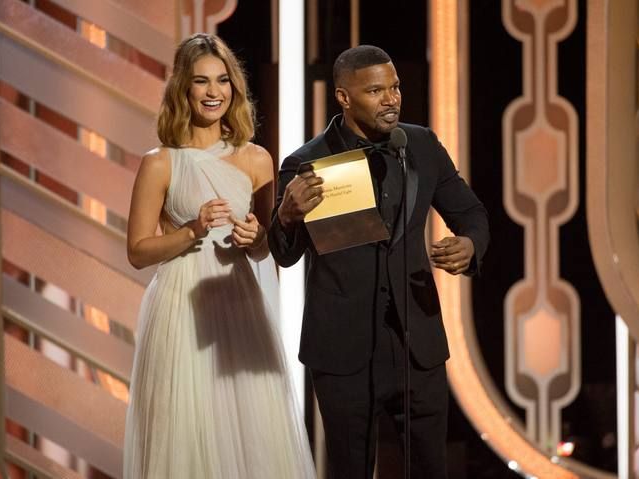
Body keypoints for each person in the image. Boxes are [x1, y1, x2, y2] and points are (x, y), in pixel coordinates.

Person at [268, 45, 489, 479]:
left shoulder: (421, 145)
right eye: (376, 91)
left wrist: (470, 246)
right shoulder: (307, 162)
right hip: (343, 350)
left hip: (416, 344)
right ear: (344, 98)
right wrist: (287, 215)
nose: (392, 99)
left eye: (395, 87)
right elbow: (284, 254)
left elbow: (472, 214)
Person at [123, 33, 316, 479]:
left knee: (251, 436)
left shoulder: (257, 160)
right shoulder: (160, 162)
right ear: (182, 90)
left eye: (222, 81)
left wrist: (255, 237)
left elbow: (267, 244)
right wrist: (192, 229)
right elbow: (137, 251)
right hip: (180, 311)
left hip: (239, 304)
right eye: (201, 82)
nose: (214, 92)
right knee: (185, 435)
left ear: (234, 88)